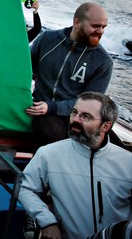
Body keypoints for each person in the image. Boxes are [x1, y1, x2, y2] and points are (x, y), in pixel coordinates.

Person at [19, 92, 132, 239]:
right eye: (74, 112)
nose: (75, 119)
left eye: (85, 116)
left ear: (105, 126)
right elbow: (26, 189)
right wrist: (47, 222)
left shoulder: (128, 163)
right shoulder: (48, 154)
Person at [25, 2, 116, 146]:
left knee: (117, 147)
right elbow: (25, 68)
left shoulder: (103, 61)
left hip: (80, 115)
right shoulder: (48, 39)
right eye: (95, 26)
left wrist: (53, 107)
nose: (100, 31)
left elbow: (91, 102)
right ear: (77, 22)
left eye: (103, 27)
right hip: (44, 111)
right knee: (52, 135)